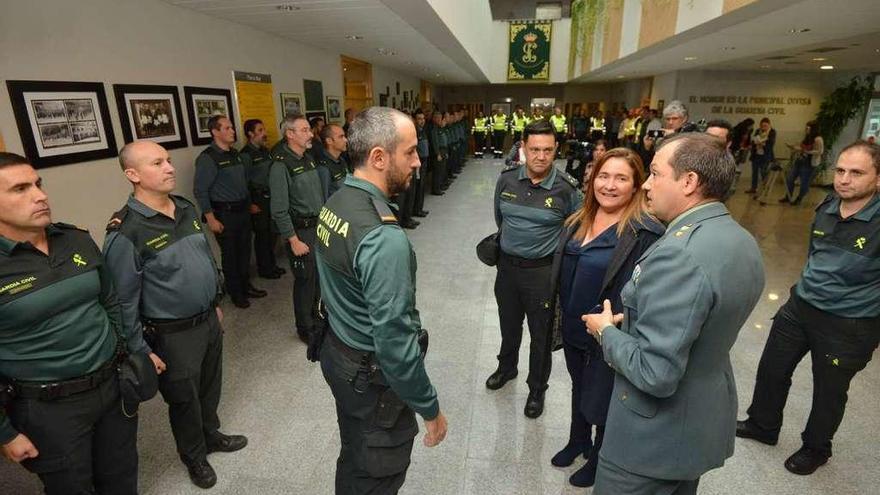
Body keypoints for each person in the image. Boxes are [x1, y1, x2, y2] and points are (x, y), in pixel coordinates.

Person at [584, 133, 765, 494]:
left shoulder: (680, 252)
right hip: (696, 426)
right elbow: (700, 322)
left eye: (654, 174)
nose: (646, 185)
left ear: (689, 182)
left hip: (650, 440)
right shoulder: (739, 239)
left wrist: (607, 331)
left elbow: (655, 373)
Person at [315, 107, 448, 494]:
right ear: (378, 157)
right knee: (378, 469)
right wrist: (431, 409)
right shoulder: (382, 237)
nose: (418, 160)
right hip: (367, 375)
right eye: (409, 152)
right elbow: (395, 343)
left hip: (338, 351)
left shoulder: (338, 200)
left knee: (355, 451)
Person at [104, 141, 248, 489]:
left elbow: (204, 259)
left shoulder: (184, 207)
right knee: (184, 399)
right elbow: (122, 301)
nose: (170, 168)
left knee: (211, 386)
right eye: (158, 163)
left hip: (208, 320)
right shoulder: (126, 231)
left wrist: (215, 299)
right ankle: (194, 456)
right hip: (171, 333)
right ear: (133, 175)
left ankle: (211, 435)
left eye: (168, 160)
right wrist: (139, 348)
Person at [737, 140, 880, 475]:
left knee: (829, 390)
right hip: (800, 307)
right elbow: (817, 255)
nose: (844, 178)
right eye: (840, 170)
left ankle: (816, 448)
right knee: (773, 369)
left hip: (850, 321)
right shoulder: (828, 206)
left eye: (856, 173)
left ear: (877, 178)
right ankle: (763, 425)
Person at [0, 152, 139, 495]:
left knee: (122, 476)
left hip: (110, 387)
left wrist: (121, 351)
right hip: (48, 407)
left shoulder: (75, 238)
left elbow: (109, 299)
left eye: (38, 183)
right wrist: (5, 432)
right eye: (20, 189)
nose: (40, 195)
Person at [549, 148, 664, 488]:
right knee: (579, 385)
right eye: (603, 176)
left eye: (621, 178)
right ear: (592, 179)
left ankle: (600, 457)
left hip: (610, 333)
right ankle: (578, 440)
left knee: (603, 396)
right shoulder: (577, 220)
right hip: (573, 326)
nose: (609, 185)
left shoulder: (644, 232)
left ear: (636, 185)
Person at [487, 119, 583, 418]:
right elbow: (500, 219)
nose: (541, 156)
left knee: (540, 335)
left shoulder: (567, 189)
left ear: (556, 151)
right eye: (534, 149)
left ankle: (537, 389)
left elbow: (576, 231)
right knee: (508, 324)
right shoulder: (506, 180)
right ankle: (507, 368)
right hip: (507, 270)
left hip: (542, 274)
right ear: (523, 149)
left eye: (548, 150)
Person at [193, 115, 265, 308]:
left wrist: (249, 204)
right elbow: (200, 191)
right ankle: (236, 293)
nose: (232, 131)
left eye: (232, 127)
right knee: (231, 254)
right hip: (224, 214)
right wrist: (211, 218)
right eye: (226, 128)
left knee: (244, 251)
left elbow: (243, 183)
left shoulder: (235, 154)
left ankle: (246, 286)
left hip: (242, 211)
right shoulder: (208, 158)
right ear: (215, 132)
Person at [269, 115, 325, 344]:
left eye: (309, 130)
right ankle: (305, 327)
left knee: (319, 277)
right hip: (300, 232)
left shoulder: (308, 158)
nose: (310, 134)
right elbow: (279, 210)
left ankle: (317, 316)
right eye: (304, 130)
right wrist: (293, 240)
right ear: (289, 134)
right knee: (305, 280)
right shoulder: (281, 166)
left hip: (317, 227)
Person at [240, 119, 285, 280]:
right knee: (262, 236)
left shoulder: (265, 151)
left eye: (264, 129)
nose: (264, 133)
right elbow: (243, 181)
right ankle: (264, 269)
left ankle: (271, 265)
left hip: (269, 197)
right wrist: (250, 203)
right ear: (250, 134)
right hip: (257, 199)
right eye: (260, 130)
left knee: (271, 233)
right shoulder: (246, 154)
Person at [781, 120, 824, 205]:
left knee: (804, 182)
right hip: (799, 161)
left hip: (809, 164)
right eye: (806, 127)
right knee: (789, 178)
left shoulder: (818, 139)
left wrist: (806, 151)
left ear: (813, 129)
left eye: (808, 128)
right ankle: (788, 196)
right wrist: (793, 147)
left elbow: (820, 151)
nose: (806, 129)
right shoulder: (807, 137)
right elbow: (801, 146)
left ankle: (799, 199)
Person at [316, 123, 350, 199]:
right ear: (329, 141)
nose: (346, 140)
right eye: (341, 137)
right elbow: (324, 199)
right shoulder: (323, 167)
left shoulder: (341, 160)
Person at [745, 117, 776, 194]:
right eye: (762, 126)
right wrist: (757, 143)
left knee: (764, 173)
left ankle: (764, 189)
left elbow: (771, 143)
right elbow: (754, 141)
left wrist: (761, 143)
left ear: (769, 125)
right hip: (756, 155)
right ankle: (753, 188)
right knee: (754, 172)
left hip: (765, 156)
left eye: (765, 126)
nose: (764, 127)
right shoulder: (757, 131)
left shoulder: (772, 132)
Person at [412, 110, 430, 218]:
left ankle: (420, 208)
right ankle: (416, 210)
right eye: (419, 119)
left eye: (423, 119)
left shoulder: (423, 131)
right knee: (418, 187)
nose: (422, 121)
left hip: (424, 161)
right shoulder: (415, 132)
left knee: (422, 186)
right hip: (418, 163)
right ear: (415, 120)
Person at [428, 111, 449, 195]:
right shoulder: (434, 129)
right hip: (438, 152)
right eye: (438, 118)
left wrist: (446, 152)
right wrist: (437, 153)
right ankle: (436, 189)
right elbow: (435, 142)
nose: (440, 120)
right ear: (434, 119)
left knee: (442, 170)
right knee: (437, 172)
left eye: (440, 118)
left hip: (443, 150)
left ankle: (439, 186)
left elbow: (444, 141)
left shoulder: (440, 128)